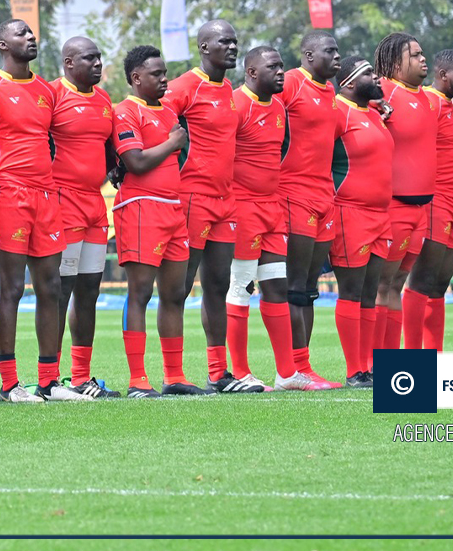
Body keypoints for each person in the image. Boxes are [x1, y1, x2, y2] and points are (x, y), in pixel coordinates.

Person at [0, 19, 72, 403]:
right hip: (8, 195)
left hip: (46, 196)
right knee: (10, 289)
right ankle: (10, 384)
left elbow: (52, 140)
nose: (31, 37)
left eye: (32, 32)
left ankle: (49, 381)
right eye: (21, 33)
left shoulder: (47, 89)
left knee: (52, 287)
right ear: (2, 44)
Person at [111, 45, 202, 397]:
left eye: (165, 73)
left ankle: (175, 376)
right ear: (136, 78)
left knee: (175, 293)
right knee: (141, 292)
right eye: (156, 74)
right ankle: (137, 380)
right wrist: (172, 142)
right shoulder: (126, 111)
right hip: (140, 206)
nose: (165, 79)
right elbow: (135, 162)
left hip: (172, 208)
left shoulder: (167, 111)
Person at [167, 20, 251, 392]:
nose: (232, 47)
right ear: (204, 47)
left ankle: (219, 373)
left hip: (225, 201)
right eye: (224, 42)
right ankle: (172, 376)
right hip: (191, 199)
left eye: (234, 42)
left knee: (217, 284)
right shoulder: (185, 86)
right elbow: (151, 117)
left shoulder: (228, 89)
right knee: (179, 288)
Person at [227, 46, 308, 389]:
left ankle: (287, 373)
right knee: (241, 286)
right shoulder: (235, 104)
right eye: (272, 66)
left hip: (272, 208)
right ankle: (240, 371)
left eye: (282, 66)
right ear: (251, 72)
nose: (281, 72)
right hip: (242, 208)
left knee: (277, 286)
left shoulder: (278, 107)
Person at [48, 35, 119, 398]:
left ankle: (81, 377)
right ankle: (52, 377)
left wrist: (113, 170)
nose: (97, 64)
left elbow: (110, 150)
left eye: (99, 58)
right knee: (62, 290)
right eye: (89, 58)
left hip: (95, 203)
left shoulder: (105, 100)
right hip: (63, 203)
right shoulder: (51, 95)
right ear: (69, 62)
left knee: (89, 290)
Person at [276, 31, 344, 388]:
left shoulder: (331, 92)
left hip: (324, 196)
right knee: (295, 284)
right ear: (306, 54)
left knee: (311, 285)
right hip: (293, 194)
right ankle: (291, 369)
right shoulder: (289, 83)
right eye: (329, 51)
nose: (337, 57)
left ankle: (304, 366)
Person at [369, 34, 438, 353]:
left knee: (397, 284)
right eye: (415, 55)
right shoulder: (383, 90)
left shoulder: (429, 97)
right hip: (393, 207)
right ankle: (370, 363)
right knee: (381, 285)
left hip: (421, 210)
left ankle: (393, 361)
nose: (423, 59)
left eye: (423, 54)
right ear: (395, 63)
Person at [329, 57, 394, 388]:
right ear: (349, 83)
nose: (376, 78)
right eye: (369, 73)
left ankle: (369, 366)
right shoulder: (338, 111)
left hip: (382, 214)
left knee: (371, 291)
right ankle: (355, 369)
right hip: (350, 212)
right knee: (352, 290)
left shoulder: (374, 113)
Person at [405, 49, 453, 351]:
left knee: (439, 285)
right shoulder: (429, 101)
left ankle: (434, 355)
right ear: (444, 76)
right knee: (422, 281)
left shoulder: (449, 105)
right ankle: (413, 357)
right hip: (436, 201)